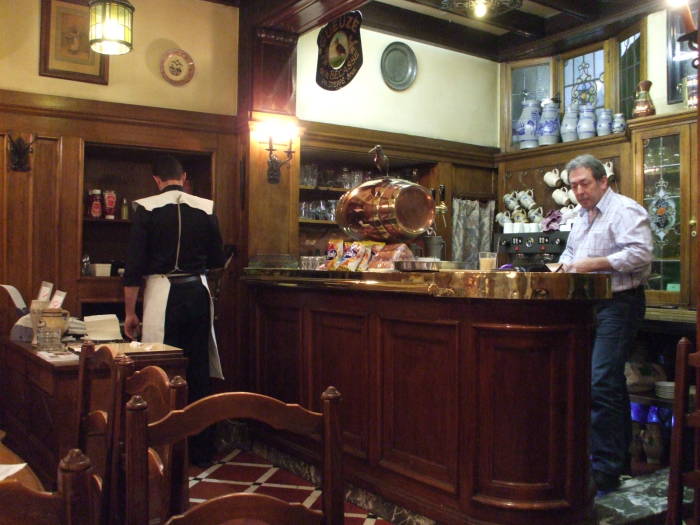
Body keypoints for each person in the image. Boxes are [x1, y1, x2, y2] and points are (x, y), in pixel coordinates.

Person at [123, 155, 226, 467]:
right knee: (197, 369)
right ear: (183, 177)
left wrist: (131, 312)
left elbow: (134, 266)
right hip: (197, 291)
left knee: (163, 369)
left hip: (162, 293)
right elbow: (218, 259)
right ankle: (202, 450)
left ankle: (165, 450)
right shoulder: (205, 207)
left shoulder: (147, 209)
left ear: (156, 180)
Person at [558, 154, 652, 493]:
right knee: (604, 382)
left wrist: (592, 264)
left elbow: (641, 254)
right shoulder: (582, 218)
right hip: (588, 305)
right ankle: (615, 462)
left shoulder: (625, 210)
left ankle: (607, 470)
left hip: (620, 303)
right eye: (574, 186)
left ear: (602, 182)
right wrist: (564, 267)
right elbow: (570, 255)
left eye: (584, 183)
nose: (579, 191)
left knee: (600, 380)